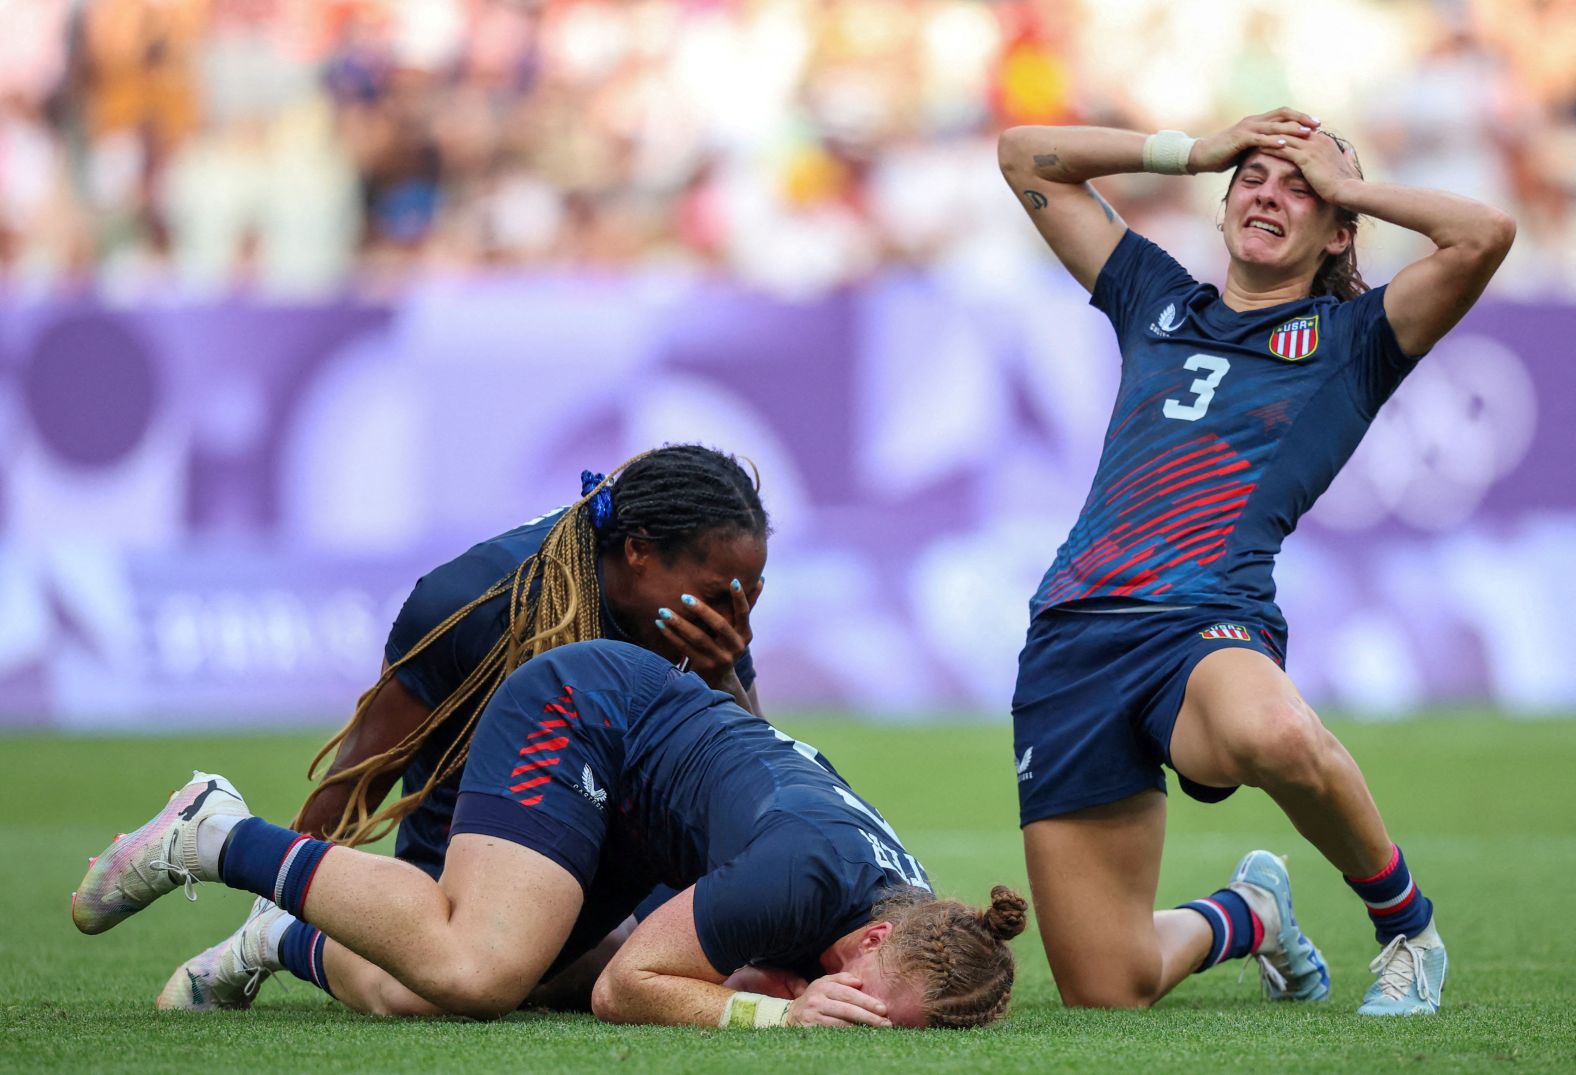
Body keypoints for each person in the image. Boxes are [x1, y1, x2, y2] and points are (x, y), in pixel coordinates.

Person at [996, 108, 1514, 1016]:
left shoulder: (1356, 340)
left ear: (1338, 230)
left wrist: (1348, 180)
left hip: (1203, 623)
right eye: (1256, 177)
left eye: (1302, 188)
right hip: (1071, 638)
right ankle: (1252, 913)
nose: (1271, 194)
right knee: (1108, 989)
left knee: (1272, 732)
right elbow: (1023, 155)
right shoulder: (1153, 294)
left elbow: (1485, 234)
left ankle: (1407, 929)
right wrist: (1191, 151)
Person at [73, 640, 1028, 1029]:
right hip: (585, 713)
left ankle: (278, 938)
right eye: (859, 998)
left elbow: (717, 960)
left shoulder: (914, 919)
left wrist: (773, 982)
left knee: (429, 996)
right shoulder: (804, 877)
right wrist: (782, 1013)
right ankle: (215, 831)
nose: (851, 1014)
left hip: (650, 822)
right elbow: (628, 990)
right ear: (869, 940)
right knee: (482, 966)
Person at [157, 443, 779, 1011]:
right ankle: (278, 938)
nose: (737, 617)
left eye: (749, 596)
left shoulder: (712, 621)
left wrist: (724, 676)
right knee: (453, 987)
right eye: (723, 597)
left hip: (619, 853)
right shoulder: (480, 599)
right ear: (639, 551)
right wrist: (286, 887)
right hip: (479, 843)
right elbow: (358, 777)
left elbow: (752, 782)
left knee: (692, 975)